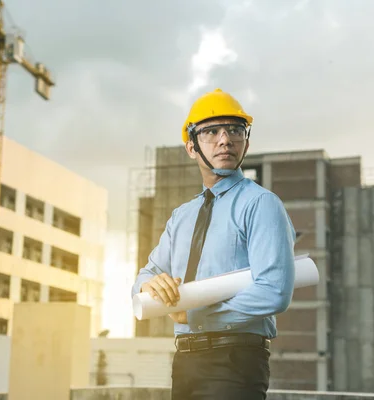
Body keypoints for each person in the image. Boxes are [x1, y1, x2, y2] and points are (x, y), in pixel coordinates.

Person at [131, 88, 296, 399]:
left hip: (234, 361)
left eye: (235, 130)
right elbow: (144, 276)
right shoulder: (181, 216)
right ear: (191, 146)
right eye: (212, 131)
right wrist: (150, 286)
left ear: (246, 141)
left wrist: (196, 313)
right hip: (185, 361)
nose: (225, 139)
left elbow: (274, 291)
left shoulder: (260, 204)